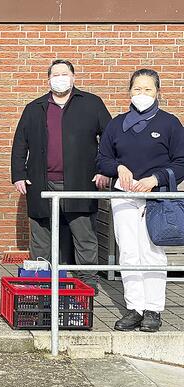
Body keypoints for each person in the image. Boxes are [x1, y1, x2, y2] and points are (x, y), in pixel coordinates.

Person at [11, 59, 112, 292]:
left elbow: (109, 139)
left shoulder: (92, 104)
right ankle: (40, 279)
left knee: (84, 233)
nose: (60, 78)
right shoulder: (34, 108)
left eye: (64, 74)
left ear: (73, 77)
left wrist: (104, 171)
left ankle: (88, 279)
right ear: (48, 80)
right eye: (55, 75)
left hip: (80, 182)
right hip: (41, 182)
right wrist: (18, 174)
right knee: (41, 235)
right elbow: (20, 144)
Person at [97, 69, 184, 332]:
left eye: (147, 89)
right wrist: (117, 168)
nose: (141, 94)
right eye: (137, 89)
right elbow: (102, 159)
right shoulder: (116, 124)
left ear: (158, 92)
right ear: (129, 92)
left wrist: (155, 179)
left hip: (156, 199)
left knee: (151, 252)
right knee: (129, 252)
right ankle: (134, 307)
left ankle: (153, 310)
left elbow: (181, 162)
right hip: (124, 196)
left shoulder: (170, 124)